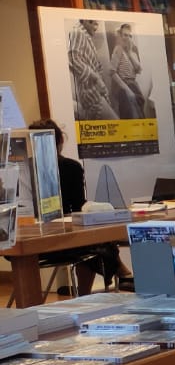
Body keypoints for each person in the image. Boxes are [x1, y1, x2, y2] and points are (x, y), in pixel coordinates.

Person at [30, 119, 127, 293]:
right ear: (60, 141)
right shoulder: (70, 167)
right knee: (93, 242)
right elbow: (78, 206)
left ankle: (121, 273)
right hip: (57, 240)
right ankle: (91, 291)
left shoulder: (23, 169)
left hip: (33, 238)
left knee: (96, 243)